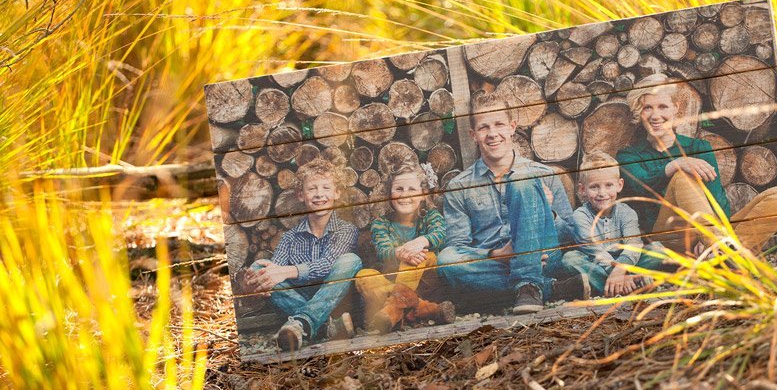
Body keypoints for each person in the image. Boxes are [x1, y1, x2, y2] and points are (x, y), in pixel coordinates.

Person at [616, 74, 777, 262]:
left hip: (710, 231)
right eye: (648, 108)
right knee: (682, 178)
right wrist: (675, 165)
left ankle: (723, 254)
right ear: (639, 112)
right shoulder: (629, 156)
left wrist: (711, 234)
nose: (656, 115)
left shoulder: (699, 148)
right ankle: (719, 246)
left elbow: (717, 200)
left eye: (663, 107)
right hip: (669, 237)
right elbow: (640, 184)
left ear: (676, 109)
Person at [437, 102, 590, 314]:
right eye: (484, 128)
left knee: (522, 181)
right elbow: (458, 246)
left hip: (542, 256)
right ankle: (548, 288)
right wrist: (498, 254)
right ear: (473, 135)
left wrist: (548, 212)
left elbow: (572, 236)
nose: (492, 134)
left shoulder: (543, 174)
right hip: (494, 264)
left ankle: (522, 284)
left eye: (499, 124)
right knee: (446, 261)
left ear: (512, 127)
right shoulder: (459, 186)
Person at [243, 158, 362, 352]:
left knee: (351, 260)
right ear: (301, 195)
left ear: (336, 193)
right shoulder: (290, 238)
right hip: (300, 298)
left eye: (326, 188)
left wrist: (288, 271)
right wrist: (256, 281)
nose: (319, 194)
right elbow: (275, 272)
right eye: (312, 188)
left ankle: (304, 323)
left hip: (337, 300)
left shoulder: (346, 230)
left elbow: (328, 264)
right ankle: (324, 326)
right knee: (261, 267)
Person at [355, 163, 456, 333]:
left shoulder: (431, 216)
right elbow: (383, 249)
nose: (405, 195)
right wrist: (402, 253)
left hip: (427, 284)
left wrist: (420, 242)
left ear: (423, 194)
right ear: (389, 195)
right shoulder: (381, 223)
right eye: (399, 189)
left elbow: (440, 233)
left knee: (424, 256)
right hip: (393, 281)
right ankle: (421, 310)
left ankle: (393, 309)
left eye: (411, 189)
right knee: (364, 275)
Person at [561, 151, 651, 297]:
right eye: (594, 187)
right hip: (595, 262)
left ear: (619, 185)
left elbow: (633, 245)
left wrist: (620, 269)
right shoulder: (580, 216)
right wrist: (617, 273)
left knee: (658, 250)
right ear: (582, 189)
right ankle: (630, 283)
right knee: (570, 260)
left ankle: (610, 285)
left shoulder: (627, 212)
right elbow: (595, 252)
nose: (602, 193)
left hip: (626, 260)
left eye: (609, 185)